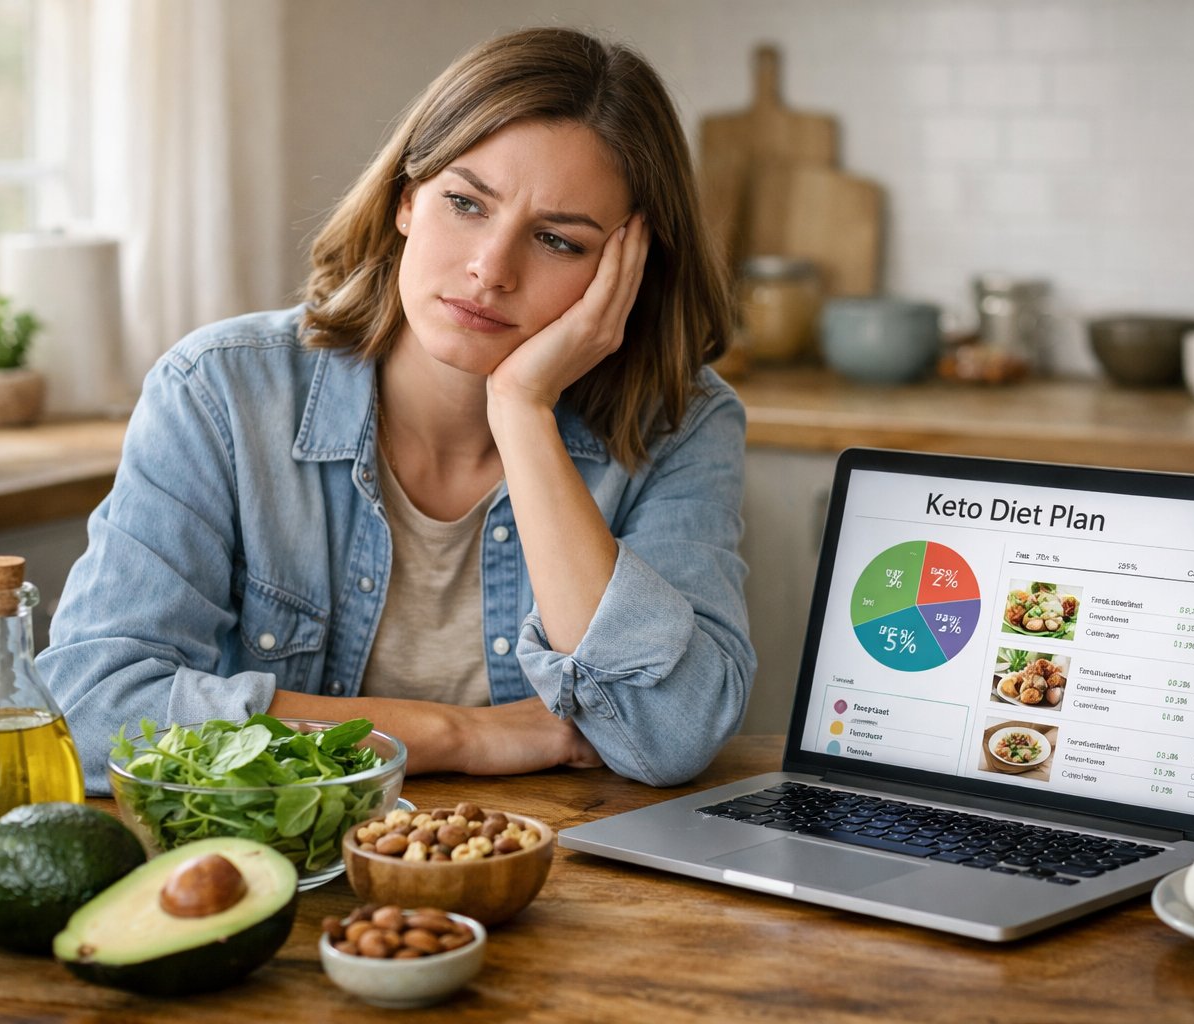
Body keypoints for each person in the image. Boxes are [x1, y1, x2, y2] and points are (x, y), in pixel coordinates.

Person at [38, 27, 756, 795]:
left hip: (555, 869)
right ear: (406, 198)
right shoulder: (219, 393)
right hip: (285, 872)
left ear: (629, 270)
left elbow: (673, 733)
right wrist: (457, 736)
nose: (491, 269)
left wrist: (522, 410)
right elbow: (85, 710)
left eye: (556, 241)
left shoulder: (682, 421)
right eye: (465, 203)